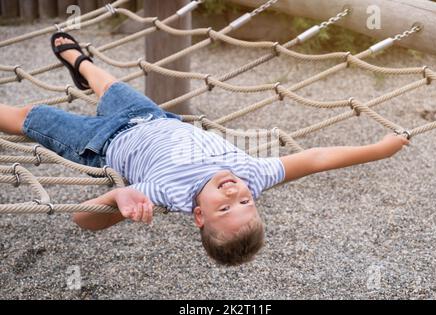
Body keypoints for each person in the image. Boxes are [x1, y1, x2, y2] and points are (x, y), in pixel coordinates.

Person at [0, 33, 409, 266]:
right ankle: (79, 62)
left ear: (198, 214)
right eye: (245, 201)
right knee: (109, 85)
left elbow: (82, 220)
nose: (234, 194)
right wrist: (379, 149)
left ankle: (74, 69)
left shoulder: (168, 194)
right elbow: (317, 160)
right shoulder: (256, 174)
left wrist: (118, 194)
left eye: (224, 208)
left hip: (99, 143)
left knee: (28, 116)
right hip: (154, 118)